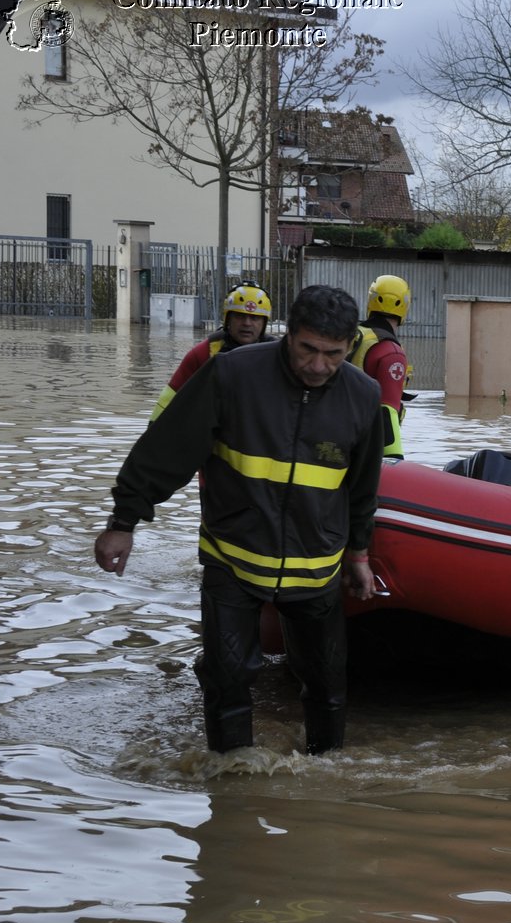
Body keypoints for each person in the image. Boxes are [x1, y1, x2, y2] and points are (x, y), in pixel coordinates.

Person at [94, 286, 384, 754]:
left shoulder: (363, 396)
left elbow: (362, 485)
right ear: (288, 335)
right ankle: (229, 791)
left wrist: (360, 552)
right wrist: (123, 521)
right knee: (228, 679)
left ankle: (326, 782)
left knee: (328, 684)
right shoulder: (231, 374)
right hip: (234, 562)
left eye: (332, 354)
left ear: (350, 345)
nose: (317, 365)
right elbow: (167, 450)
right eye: (307, 349)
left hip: (317, 569)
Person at [151, 281, 274, 419]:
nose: (247, 323)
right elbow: (167, 400)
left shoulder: (276, 357)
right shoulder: (204, 353)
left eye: (254, 318)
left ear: (264, 323)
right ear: (228, 319)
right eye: (239, 316)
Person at [349, 274, 412, 459]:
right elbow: (388, 411)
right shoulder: (391, 352)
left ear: (371, 300)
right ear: (405, 307)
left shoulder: (353, 335)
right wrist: (394, 459)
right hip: (365, 446)